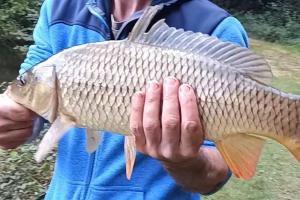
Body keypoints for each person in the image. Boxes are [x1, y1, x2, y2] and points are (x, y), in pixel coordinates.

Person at [0, 0, 249, 199]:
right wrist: (16, 119)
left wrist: (184, 162)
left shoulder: (216, 27)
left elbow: (217, 171)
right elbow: (29, 92)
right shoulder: (58, 8)